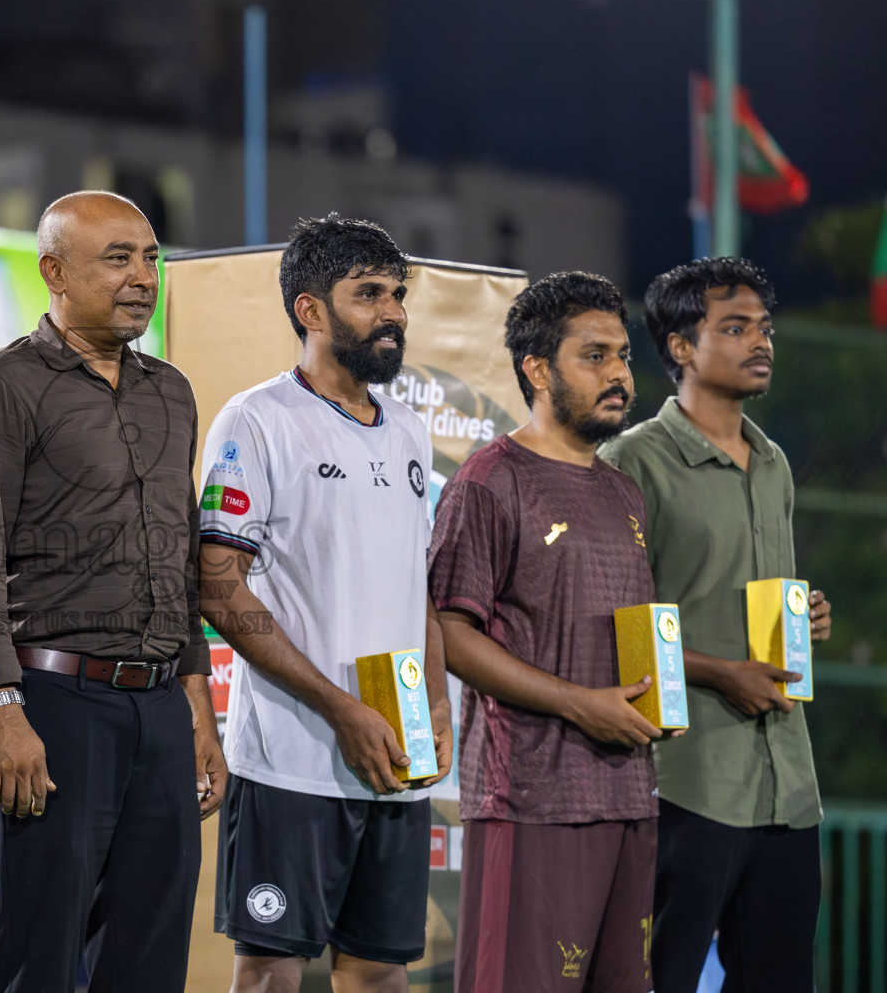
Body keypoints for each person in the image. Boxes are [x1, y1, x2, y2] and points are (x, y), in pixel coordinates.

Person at [0, 190, 227, 993]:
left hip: (162, 711)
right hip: (49, 706)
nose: (143, 276)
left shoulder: (172, 390)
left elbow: (180, 560)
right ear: (53, 272)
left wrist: (199, 710)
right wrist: (1, 710)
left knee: (150, 965)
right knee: (42, 962)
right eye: (119, 258)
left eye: (151, 258)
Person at [198, 214, 453, 993]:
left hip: (394, 760)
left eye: (398, 294)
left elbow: (423, 589)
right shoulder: (256, 419)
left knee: (378, 974)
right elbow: (215, 585)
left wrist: (436, 702)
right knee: (271, 972)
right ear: (310, 310)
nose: (393, 312)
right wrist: (341, 708)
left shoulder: (410, 433)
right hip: (292, 762)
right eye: (369, 293)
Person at [428, 271, 665, 993]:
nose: (619, 374)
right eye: (595, 356)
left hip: (630, 796)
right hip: (531, 798)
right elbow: (451, 633)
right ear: (537, 369)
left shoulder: (625, 490)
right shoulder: (489, 479)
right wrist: (579, 704)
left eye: (622, 356)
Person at [599, 257, 831, 993]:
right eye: (734, 328)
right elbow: (617, 625)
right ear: (679, 348)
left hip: (788, 787)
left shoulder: (775, 463)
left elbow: (753, 593)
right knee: (656, 979)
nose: (760, 341)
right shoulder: (630, 462)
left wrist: (808, 614)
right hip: (686, 781)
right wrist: (720, 672)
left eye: (763, 327)